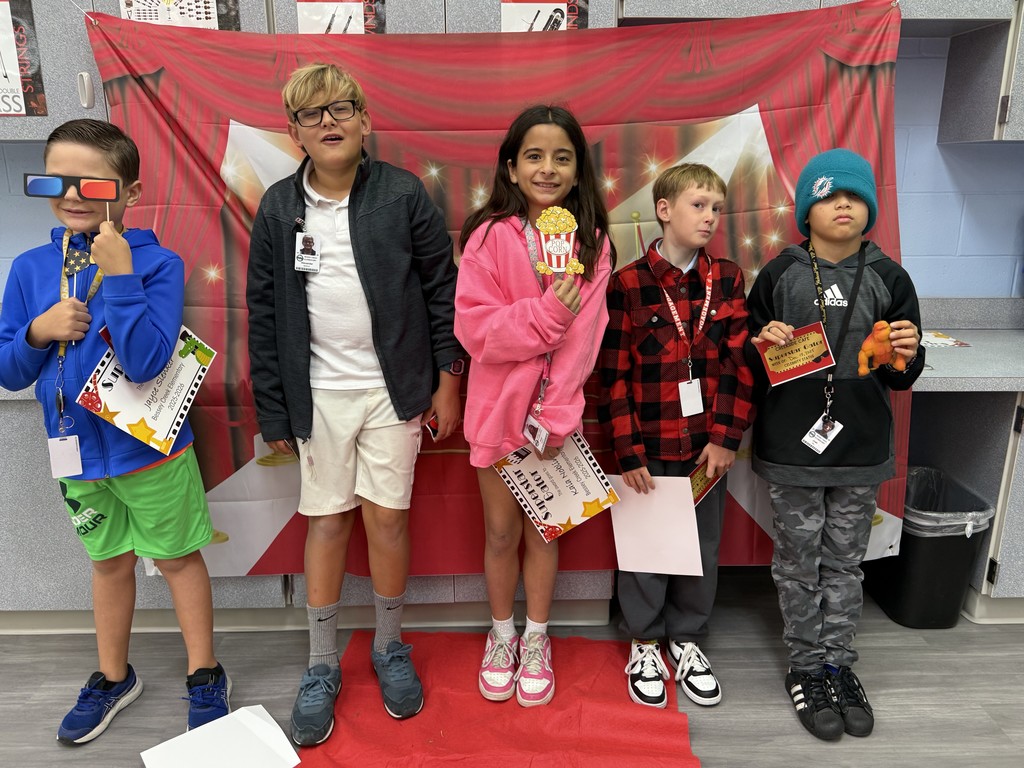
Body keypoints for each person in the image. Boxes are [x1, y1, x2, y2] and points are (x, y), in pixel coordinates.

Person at [246, 63, 464, 745]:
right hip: (316, 396)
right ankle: (320, 663)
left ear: (365, 120)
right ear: (295, 133)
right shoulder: (278, 208)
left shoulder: (402, 194)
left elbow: (442, 288)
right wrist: (274, 408)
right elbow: (261, 312)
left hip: (393, 391)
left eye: (341, 108)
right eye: (312, 114)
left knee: (387, 520)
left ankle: (390, 647)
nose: (329, 122)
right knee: (328, 524)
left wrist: (448, 377)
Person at [0, 119, 230, 744]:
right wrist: (37, 331)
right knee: (107, 564)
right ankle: (112, 676)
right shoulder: (29, 269)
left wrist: (122, 277)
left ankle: (205, 672)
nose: (72, 195)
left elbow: (148, 362)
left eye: (93, 183)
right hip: (76, 460)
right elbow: (11, 371)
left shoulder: (158, 263)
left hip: (151, 455)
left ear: (130, 193)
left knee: (177, 559)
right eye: (56, 181)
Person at [746, 148, 923, 741]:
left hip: (860, 447)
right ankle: (804, 667)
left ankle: (838, 666)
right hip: (792, 446)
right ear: (806, 210)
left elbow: (901, 375)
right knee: (798, 563)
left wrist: (906, 355)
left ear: (869, 207)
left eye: (853, 196)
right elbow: (749, 363)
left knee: (846, 564)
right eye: (828, 195)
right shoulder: (780, 273)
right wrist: (759, 342)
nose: (842, 205)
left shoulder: (890, 278)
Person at [455, 105, 615, 707]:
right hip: (496, 415)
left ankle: (537, 638)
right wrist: (547, 314)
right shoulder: (488, 237)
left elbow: (586, 337)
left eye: (562, 157)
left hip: (554, 420)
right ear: (511, 168)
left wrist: (556, 413)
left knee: (544, 533)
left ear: (578, 171)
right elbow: (477, 331)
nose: (547, 168)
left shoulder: (592, 243)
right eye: (534, 156)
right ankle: (502, 635)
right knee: (500, 534)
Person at [598, 163, 754, 709]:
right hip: (646, 445)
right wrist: (627, 451)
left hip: (706, 446)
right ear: (664, 210)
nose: (709, 217)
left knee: (701, 546)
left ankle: (686, 638)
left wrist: (726, 438)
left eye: (717, 208)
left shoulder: (728, 278)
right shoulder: (627, 283)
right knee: (645, 547)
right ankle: (644, 642)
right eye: (698, 205)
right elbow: (613, 375)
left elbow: (740, 365)